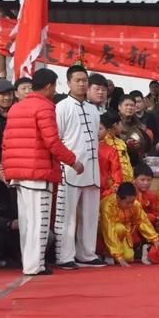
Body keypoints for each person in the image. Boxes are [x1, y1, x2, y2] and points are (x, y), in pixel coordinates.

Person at [2, 68, 83, 276]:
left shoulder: (16, 108)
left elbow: (7, 142)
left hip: (19, 173)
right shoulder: (44, 108)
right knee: (39, 220)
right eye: (55, 86)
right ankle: (34, 265)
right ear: (48, 86)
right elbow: (52, 143)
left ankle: (29, 262)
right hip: (38, 173)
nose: (55, 90)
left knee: (27, 221)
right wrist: (73, 161)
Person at [54, 65, 106, 269]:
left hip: (92, 169)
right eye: (78, 80)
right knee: (67, 214)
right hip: (70, 168)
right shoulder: (62, 107)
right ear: (68, 83)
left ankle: (87, 253)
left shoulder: (93, 109)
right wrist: (67, 162)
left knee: (91, 214)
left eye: (85, 80)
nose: (82, 84)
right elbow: (56, 139)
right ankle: (65, 256)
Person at [100, 182, 159, 267]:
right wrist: (119, 256)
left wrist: (154, 239)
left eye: (132, 201)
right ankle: (106, 253)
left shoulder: (135, 204)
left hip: (124, 232)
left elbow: (142, 221)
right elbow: (108, 230)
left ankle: (115, 253)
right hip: (103, 233)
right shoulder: (108, 205)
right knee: (119, 228)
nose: (131, 205)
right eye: (128, 202)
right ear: (118, 198)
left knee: (129, 258)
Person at [119, 94, 152, 165]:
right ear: (119, 107)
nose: (130, 108)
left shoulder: (140, 125)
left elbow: (147, 145)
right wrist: (125, 144)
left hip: (136, 162)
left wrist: (140, 143)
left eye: (132, 105)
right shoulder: (114, 124)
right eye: (126, 105)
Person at [97, 112, 124, 198]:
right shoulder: (84, 146)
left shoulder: (110, 150)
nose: (96, 131)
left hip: (104, 188)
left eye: (100, 129)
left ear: (107, 131)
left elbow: (116, 169)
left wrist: (117, 183)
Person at [132, 163, 159, 232]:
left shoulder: (152, 195)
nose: (146, 183)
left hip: (147, 226)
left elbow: (155, 212)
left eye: (149, 180)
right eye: (142, 180)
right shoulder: (130, 193)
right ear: (134, 179)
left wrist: (156, 218)